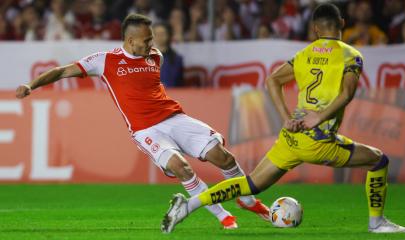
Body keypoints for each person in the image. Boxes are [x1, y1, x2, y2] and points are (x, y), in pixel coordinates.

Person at [161, 3, 405, 234]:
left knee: (250, 184)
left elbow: (272, 80)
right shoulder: (350, 55)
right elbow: (347, 93)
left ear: (315, 29)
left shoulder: (304, 54)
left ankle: (189, 205)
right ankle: (377, 222)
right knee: (378, 161)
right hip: (318, 141)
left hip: (291, 138)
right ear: (343, 24)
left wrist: (286, 117)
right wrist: (320, 117)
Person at [15, 13, 270, 230]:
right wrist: (31, 85)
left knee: (222, 156)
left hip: (174, 117)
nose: (152, 43)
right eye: (146, 39)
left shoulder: (155, 56)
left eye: (152, 38)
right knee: (182, 167)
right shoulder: (105, 61)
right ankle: (223, 216)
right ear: (129, 40)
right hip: (146, 130)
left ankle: (246, 200)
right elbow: (61, 71)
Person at [153, 23, 183, 87]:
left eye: (162, 34)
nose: (159, 37)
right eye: (156, 34)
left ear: (169, 35)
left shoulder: (177, 59)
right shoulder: (146, 59)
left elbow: (176, 82)